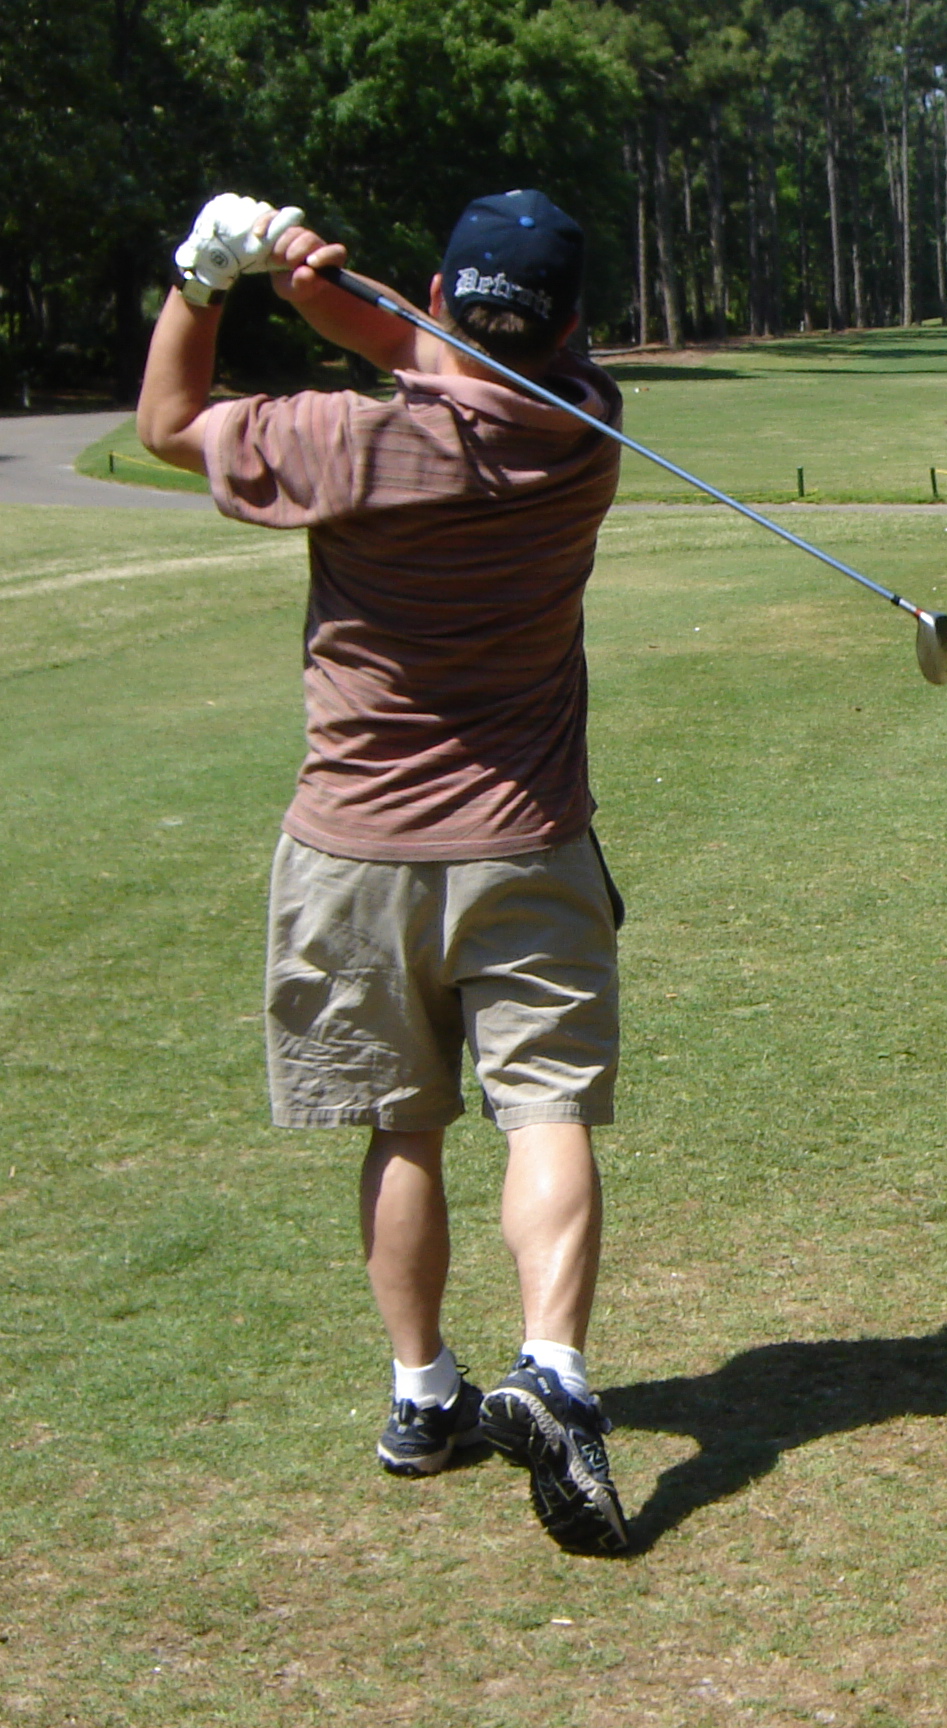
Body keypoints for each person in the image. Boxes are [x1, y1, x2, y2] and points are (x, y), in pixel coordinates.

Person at [138, 190, 630, 1554]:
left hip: (353, 849)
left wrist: (209, 277)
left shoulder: (342, 443)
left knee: (401, 1127)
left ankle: (423, 1397)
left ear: (441, 291)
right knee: (545, 1112)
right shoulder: (585, 423)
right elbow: (445, 353)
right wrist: (314, 289)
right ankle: (554, 1371)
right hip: (528, 837)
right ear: (573, 325)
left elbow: (168, 425)